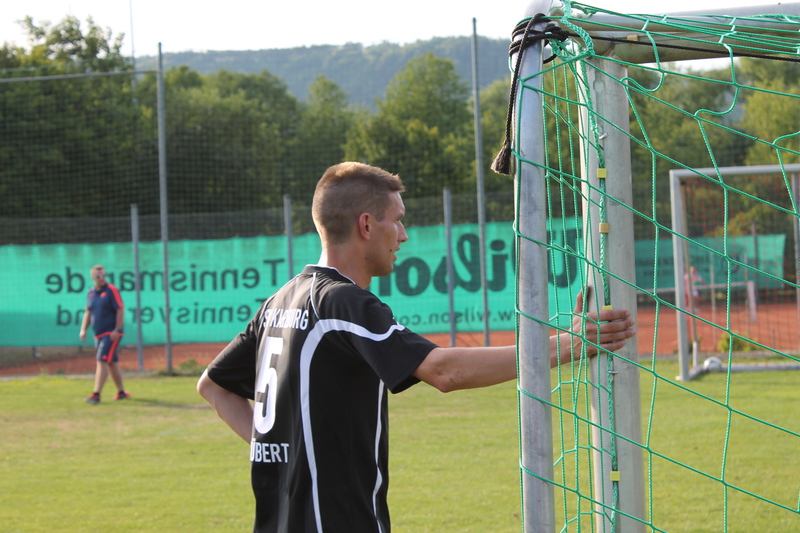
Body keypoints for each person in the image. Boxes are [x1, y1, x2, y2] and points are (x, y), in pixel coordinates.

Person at [197, 162, 636, 533]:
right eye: (397, 219)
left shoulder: (279, 300)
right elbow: (444, 371)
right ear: (366, 225)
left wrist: (282, 453)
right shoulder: (342, 302)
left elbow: (213, 386)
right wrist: (570, 345)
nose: (403, 235)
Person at [79, 264, 130, 404]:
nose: (101, 278)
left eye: (103, 275)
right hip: (98, 334)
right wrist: (83, 330)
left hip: (110, 333)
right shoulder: (91, 292)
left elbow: (120, 309)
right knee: (112, 362)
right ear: (92, 278)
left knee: (101, 360)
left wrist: (117, 329)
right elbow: (88, 312)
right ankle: (121, 392)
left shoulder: (111, 290)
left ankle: (96, 395)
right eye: (98, 276)